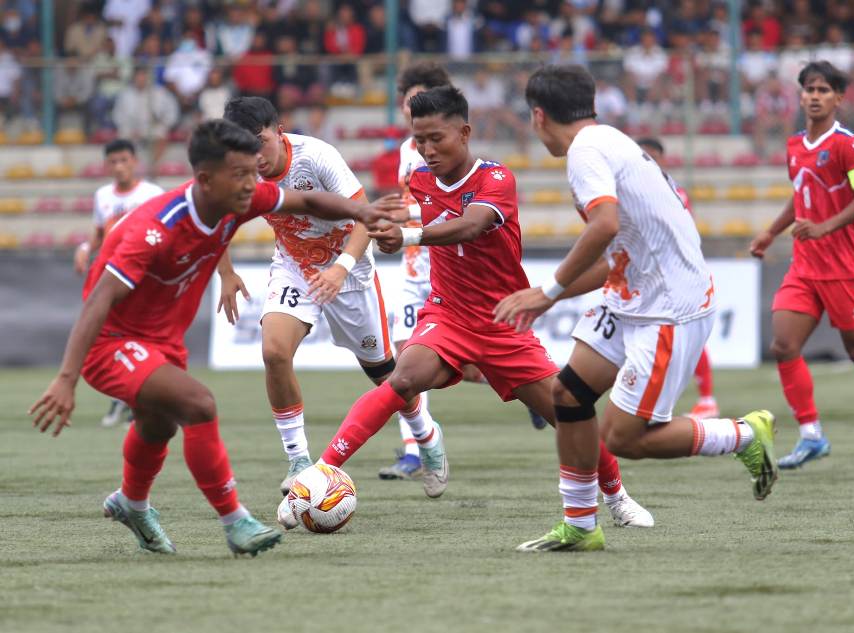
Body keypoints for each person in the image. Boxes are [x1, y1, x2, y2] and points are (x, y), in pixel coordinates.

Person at [28, 119, 398, 556]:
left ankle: (131, 501)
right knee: (198, 404)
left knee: (158, 423)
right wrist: (67, 379)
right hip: (111, 342)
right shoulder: (155, 228)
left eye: (252, 173)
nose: (251, 184)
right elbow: (97, 303)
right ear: (205, 179)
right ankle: (235, 520)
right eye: (240, 174)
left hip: (162, 338)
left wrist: (360, 211)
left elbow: (306, 199)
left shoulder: (239, 197)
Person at [310, 85, 652, 529]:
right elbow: (414, 230)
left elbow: (471, 227)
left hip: (502, 320)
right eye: (419, 140)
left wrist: (410, 235)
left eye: (437, 138)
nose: (427, 150)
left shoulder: (496, 178)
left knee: (568, 413)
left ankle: (617, 496)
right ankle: (319, 473)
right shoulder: (418, 180)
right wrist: (386, 231)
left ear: (465, 132)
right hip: (447, 313)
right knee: (403, 380)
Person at [494, 65, 776, 552]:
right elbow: (613, 256)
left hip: (667, 309)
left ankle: (743, 435)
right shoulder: (610, 140)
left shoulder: (585, 153)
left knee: (626, 438)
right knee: (567, 395)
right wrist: (553, 295)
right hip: (632, 297)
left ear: (538, 116)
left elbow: (603, 226)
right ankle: (581, 526)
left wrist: (548, 291)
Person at [218, 96, 432, 496]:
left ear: (278, 131)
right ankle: (299, 460)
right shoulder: (237, 169)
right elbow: (220, 218)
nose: (255, 155)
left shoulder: (316, 156)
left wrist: (340, 268)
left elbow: (365, 217)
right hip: (294, 267)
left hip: (348, 267)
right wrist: (226, 273)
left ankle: (425, 436)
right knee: (274, 352)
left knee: (387, 375)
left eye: (259, 141)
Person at [378, 62, 547, 483]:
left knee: (462, 365)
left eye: (420, 97)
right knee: (406, 365)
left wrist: (410, 232)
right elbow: (417, 205)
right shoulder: (409, 153)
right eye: (407, 99)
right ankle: (419, 447)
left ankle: (525, 391)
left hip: (445, 265)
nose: (409, 107)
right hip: (416, 270)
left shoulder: (475, 169)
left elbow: (461, 216)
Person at [749, 61, 854, 473]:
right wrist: (771, 232)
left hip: (845, 267)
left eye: (824, 89)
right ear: (801, 96)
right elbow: (799, 194)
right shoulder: (794, 146)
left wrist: (823, 227)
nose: (815, 95)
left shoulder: (849, 145)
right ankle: (811, 435)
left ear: (839, 98)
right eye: (809, 89)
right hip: (805, 267)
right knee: (784, 345)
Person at [73, 139, 164, 428]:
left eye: (124, 160)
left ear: (135, 162)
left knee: (142, 337)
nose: (119, 166)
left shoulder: (152, 193)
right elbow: (99, 233)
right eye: (113, 161)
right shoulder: (103, 196)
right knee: (113, 337)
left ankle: (140, 404)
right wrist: (86, 249)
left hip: (144, 277)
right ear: (106, 165)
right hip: (113, 275)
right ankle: (120, 400)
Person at [635, 136, 719, 420]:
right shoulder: (634, 190)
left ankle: (706, 399)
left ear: (661, 159)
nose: (647, 161)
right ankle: (650, 399)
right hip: (647, 276)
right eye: (642, 156)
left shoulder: (673, 191)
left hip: (673, 277)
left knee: (682, 333)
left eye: (651, 156)